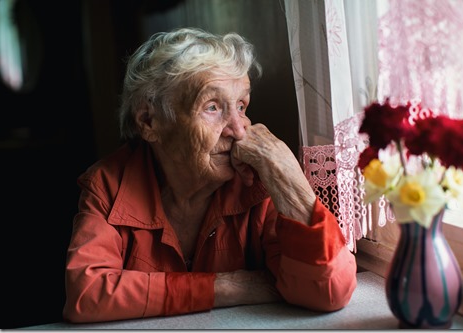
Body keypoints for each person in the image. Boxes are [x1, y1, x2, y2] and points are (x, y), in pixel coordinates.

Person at [62, 27, 357, 323]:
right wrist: (229, 286)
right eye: (212, 107)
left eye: (241, 106)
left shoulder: (256, 183)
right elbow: (87, 294)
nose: (239, 129)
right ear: (149, 121)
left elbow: (329, 290)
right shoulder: (108, 184)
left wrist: (286, 174)